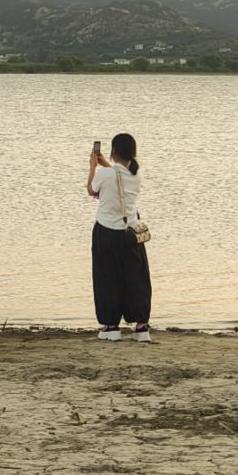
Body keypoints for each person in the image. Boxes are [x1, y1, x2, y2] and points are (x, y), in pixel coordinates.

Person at [87, 132, 152, 343]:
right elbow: (119, 177)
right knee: (136, 279)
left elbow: (91, 190)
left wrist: (93, 167)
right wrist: (105, 163)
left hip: (106, 232)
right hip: (130, 234)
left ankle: (111, 327)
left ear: (114, 151)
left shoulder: (103, 174)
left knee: (107, 278)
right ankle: (141, 328)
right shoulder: (136, 175)